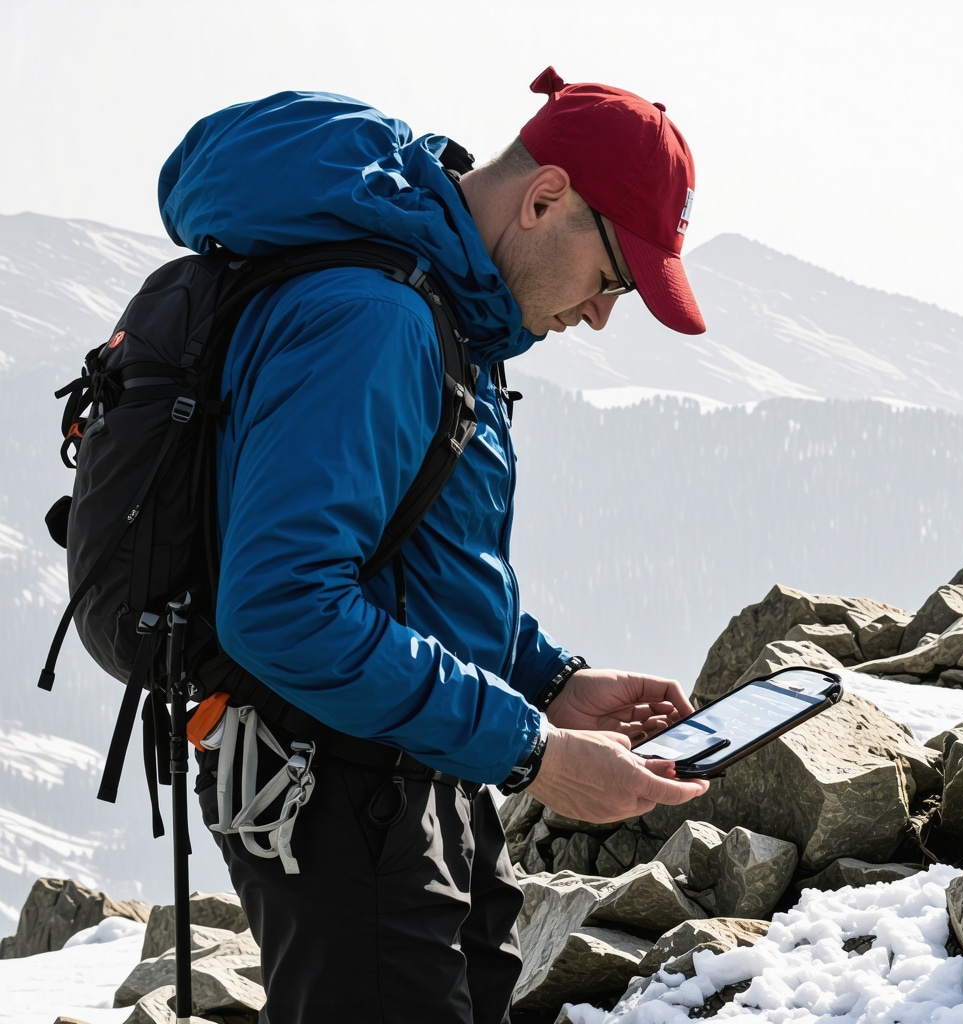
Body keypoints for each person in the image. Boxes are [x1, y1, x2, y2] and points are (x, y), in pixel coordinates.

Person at [160, 66, 711, 1023]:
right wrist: (532, 752)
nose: (600, 314)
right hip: (333, 790)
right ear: (545, 198)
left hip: (413, 769)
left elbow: (414, 561)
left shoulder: (449, 311)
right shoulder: (376, 320)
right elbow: (283, 605)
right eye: (613, 278)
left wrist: (546, 679)